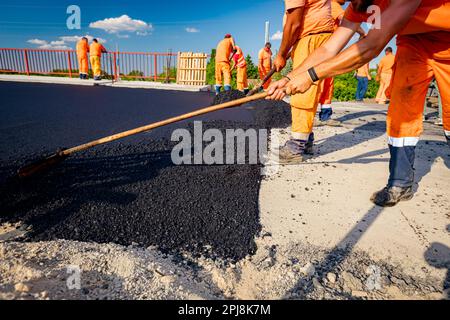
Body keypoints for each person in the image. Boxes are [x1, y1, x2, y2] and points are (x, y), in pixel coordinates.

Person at [266, 0, 450, 207]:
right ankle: (400, 182)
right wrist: (290, 77)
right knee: (401, 111)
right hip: (412, 42)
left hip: (447, 37)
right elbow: (328, 49)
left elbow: (373, 45)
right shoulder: (358, 6)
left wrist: (310, 76)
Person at [271, 0, 334, 163]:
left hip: (311, 38)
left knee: (301, 92)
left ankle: (295, 148)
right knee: (311, 92)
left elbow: (294, 23)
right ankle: (306, 140)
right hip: (318, 37)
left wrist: (281, 54)